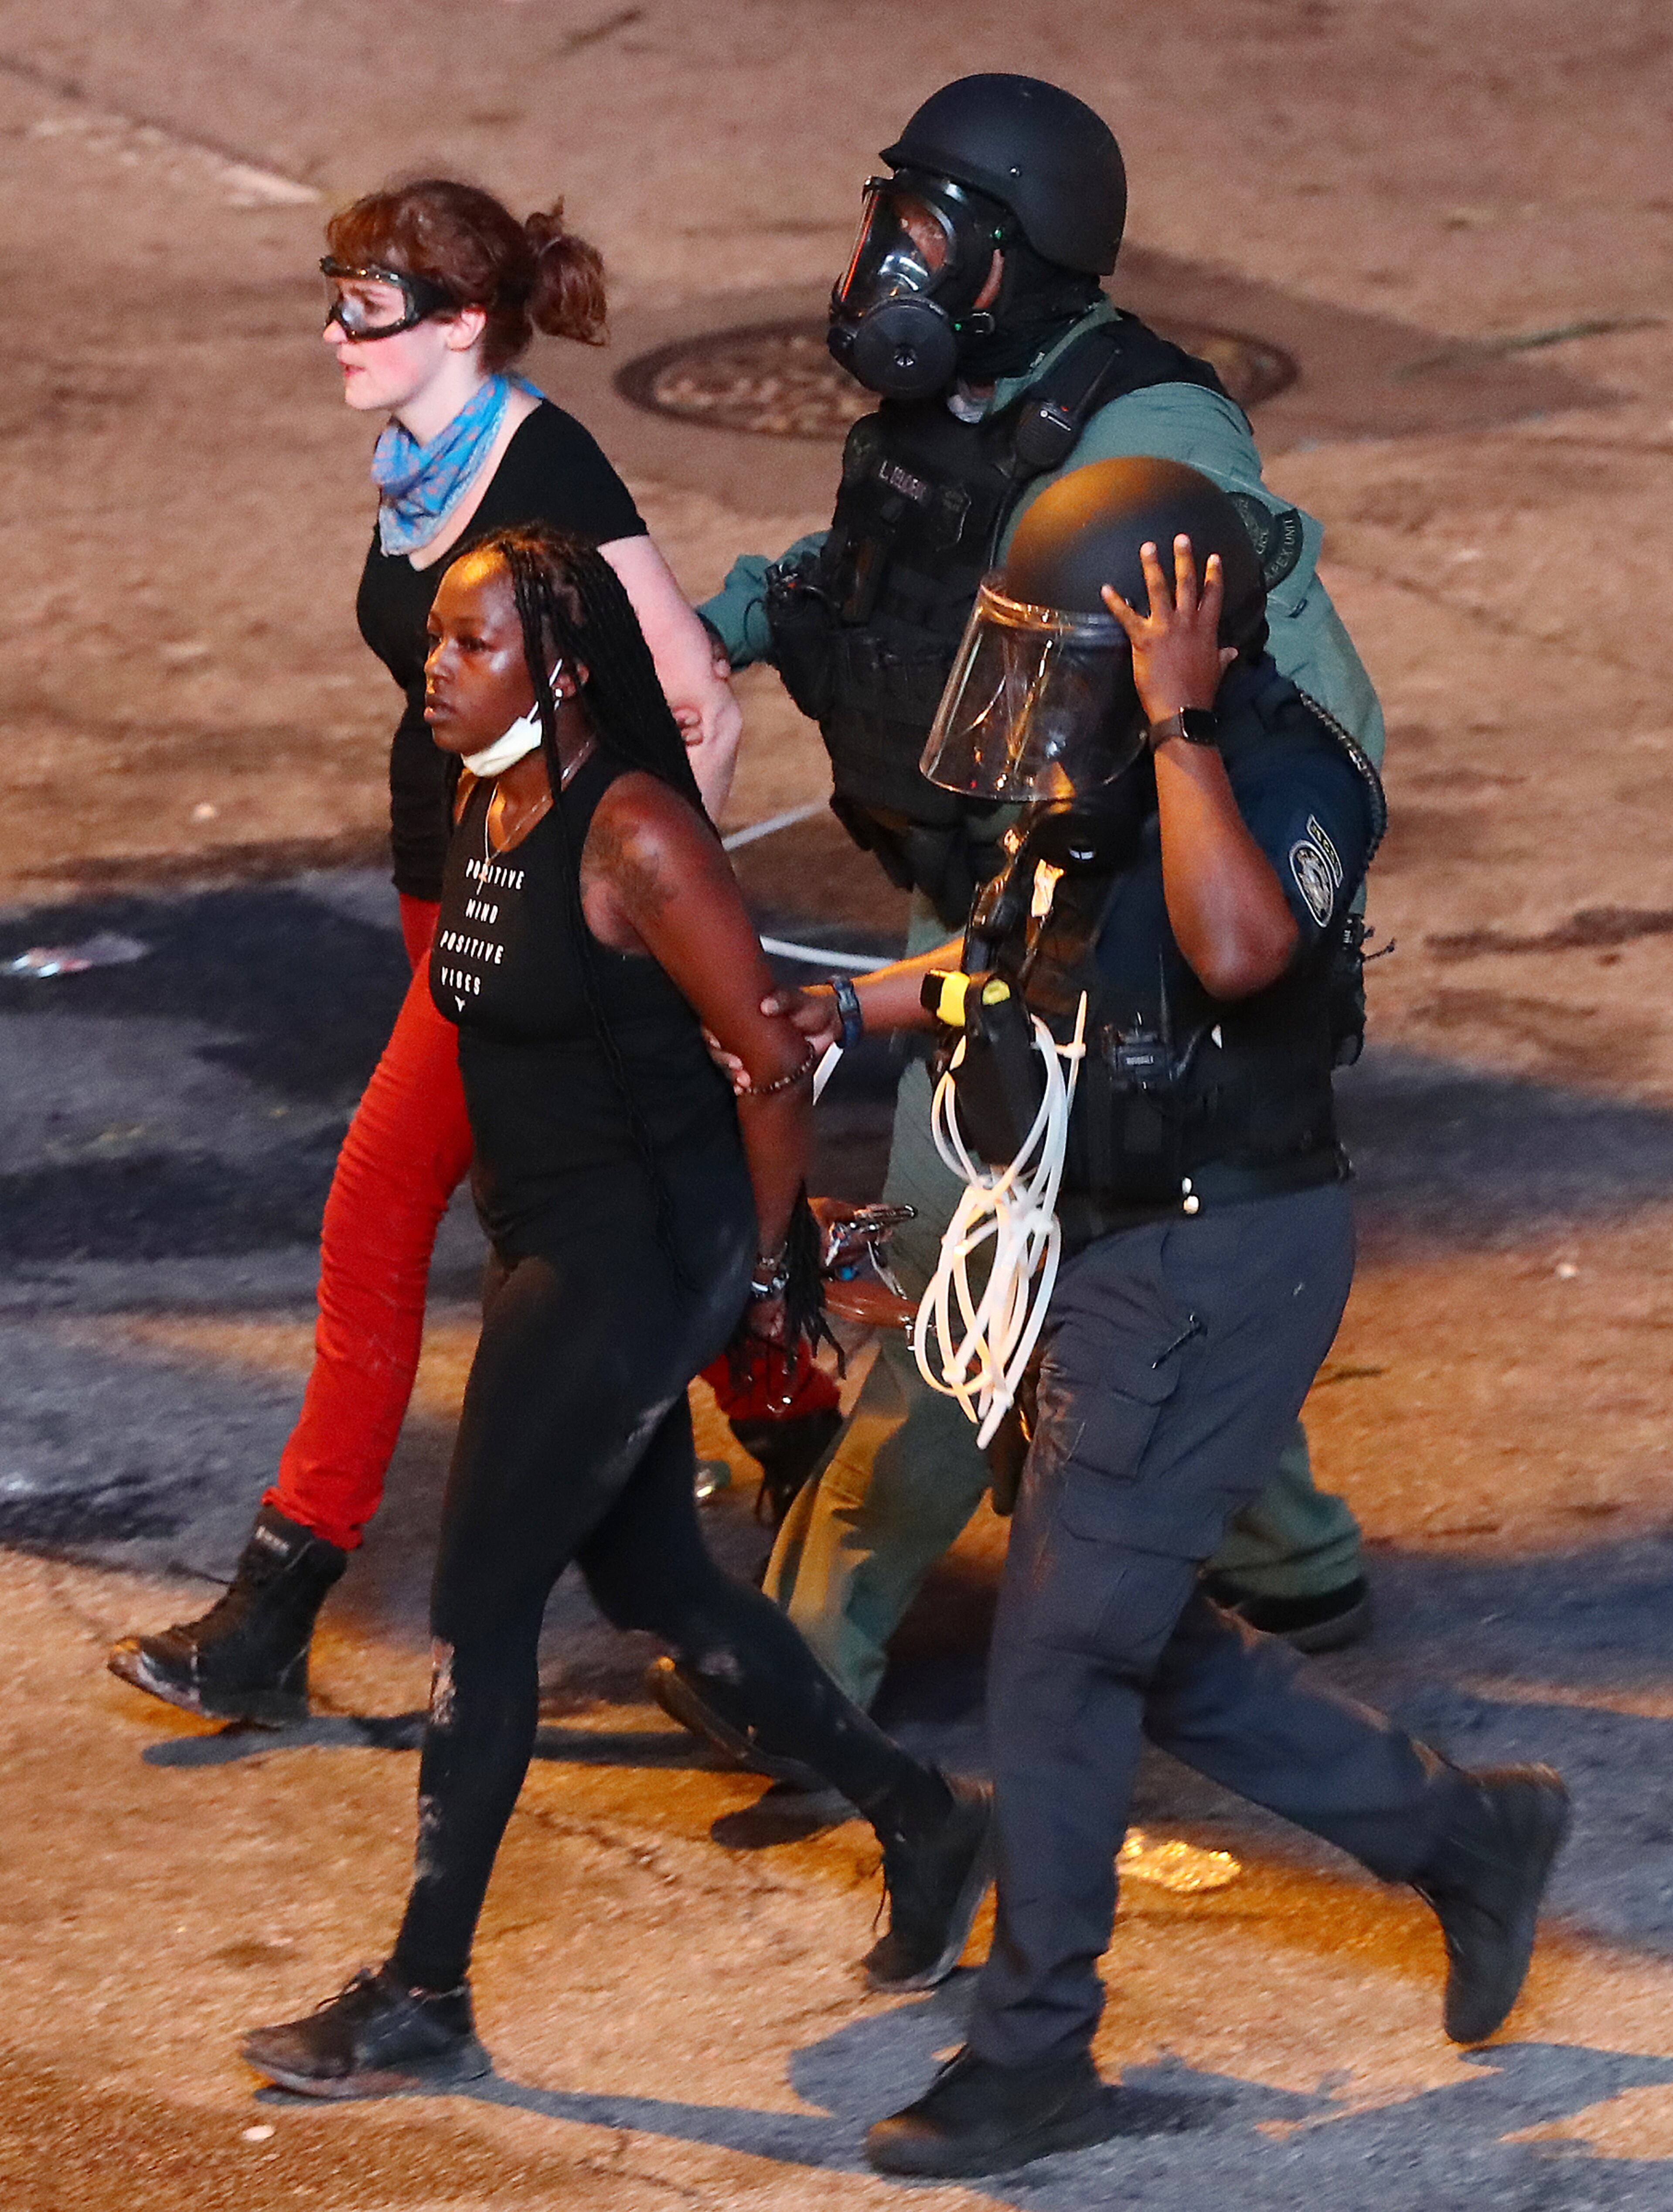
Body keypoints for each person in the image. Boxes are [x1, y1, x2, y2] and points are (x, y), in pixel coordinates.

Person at [752, 457, 1568, 2178]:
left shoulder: (1278, 777)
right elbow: (1011, 962)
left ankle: (1036, 2046)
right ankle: (1465, 1834)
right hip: (1092, 1247)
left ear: (1167, 648)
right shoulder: (1088, 783)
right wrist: (848, 1011)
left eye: (1070, 658)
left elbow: (1243, 949)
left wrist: (1184, 729)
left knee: (1058, 1652)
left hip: (1226, 1257)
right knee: (1131, 1626)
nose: (1033, 700)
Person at [681, 75, 1380, 1782]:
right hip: (1006, 869)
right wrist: (729, 623)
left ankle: (808, 1657)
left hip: (1121, 895)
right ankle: (1292, 1553)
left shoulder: (1151, 446)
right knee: (1121, 1213)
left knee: (959, 1279)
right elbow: (886, 572)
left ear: (1013, 262)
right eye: (881, 221)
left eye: (916, 234)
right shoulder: (961, 413)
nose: (877, 266)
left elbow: (1223, 606)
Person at [238, 526, 992, 2095]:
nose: (434, 672)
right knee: (658, 1574)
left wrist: (763, 1277)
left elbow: (777, 1062)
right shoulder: (487, 799)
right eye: (438, 644)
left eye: (470, 645)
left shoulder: (636, 838)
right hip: (552, 1248)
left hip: (638, 1263)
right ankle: (924, 1816)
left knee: (485, 1607)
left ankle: (425, 1990)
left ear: (561, 664)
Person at [107, 177, 833, 1726]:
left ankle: (274, 1607)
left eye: (364, 308)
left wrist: (627, 910)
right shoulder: (416, 459)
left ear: (462, 323)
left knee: (377, 1211)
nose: (333, 332)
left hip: (531, 912)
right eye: (336, 296)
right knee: (577, 1212)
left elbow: (702, 699)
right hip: (449, 888)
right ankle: (800, 1427)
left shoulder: (543, 470)